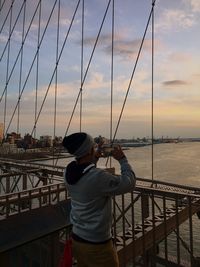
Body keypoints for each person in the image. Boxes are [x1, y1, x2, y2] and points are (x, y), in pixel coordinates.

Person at [62, 132, 136, 267]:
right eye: (93, 147)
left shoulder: (68, 172)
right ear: (90, 149)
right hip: (97, 244)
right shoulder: (97, 177)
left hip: (77, 238)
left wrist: (94, 158)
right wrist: (122, 159)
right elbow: (129, 183)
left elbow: (84, 172)